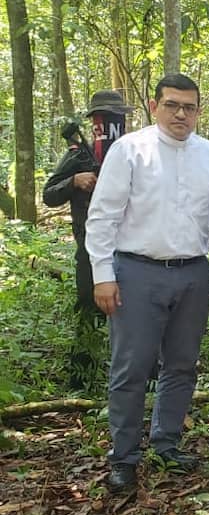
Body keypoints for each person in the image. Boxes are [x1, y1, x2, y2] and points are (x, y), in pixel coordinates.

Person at [85, 74, 209, 492]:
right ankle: (123, 457)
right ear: (154, 105)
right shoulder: (130, 150)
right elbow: (103, 215)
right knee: (132, 367)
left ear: (198, 111)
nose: (180, 114)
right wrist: (102, 275)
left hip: (193, 271)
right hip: (136, 271)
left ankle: (166, 443)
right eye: (172, 105)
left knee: (181, 364)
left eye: (189, 107)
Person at [43, 90, 134, 388]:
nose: (108, 125)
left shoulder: (135, 152)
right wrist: (74, 181)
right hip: (90, 249)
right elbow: (49, 195)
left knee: (138, 313)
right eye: (102, 118)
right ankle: (82, 381)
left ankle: (144, 376)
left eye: (114, 118)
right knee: (89, 308)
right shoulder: (77, 155)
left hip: (134, 248)